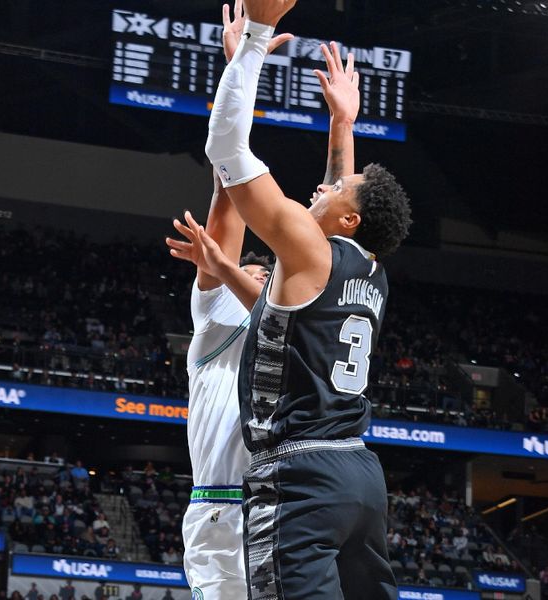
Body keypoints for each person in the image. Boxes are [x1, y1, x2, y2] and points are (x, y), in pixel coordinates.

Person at [203, 1, 412, 599]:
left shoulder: (314, 254)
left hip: (301, 474)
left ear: (346, 216)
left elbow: (229, 151)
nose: (321, 185)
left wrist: (253, 43)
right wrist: (341, 126)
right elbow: (345, 210)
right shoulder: (370, 269)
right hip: (360, 479)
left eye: (335, 188)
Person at [163, 5, 287, 599]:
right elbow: (228, 192)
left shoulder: (294, 323)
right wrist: (239, 62)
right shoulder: (218, 316)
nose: (264, 272)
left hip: (279, 507)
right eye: (256, 267)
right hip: (219, 509)